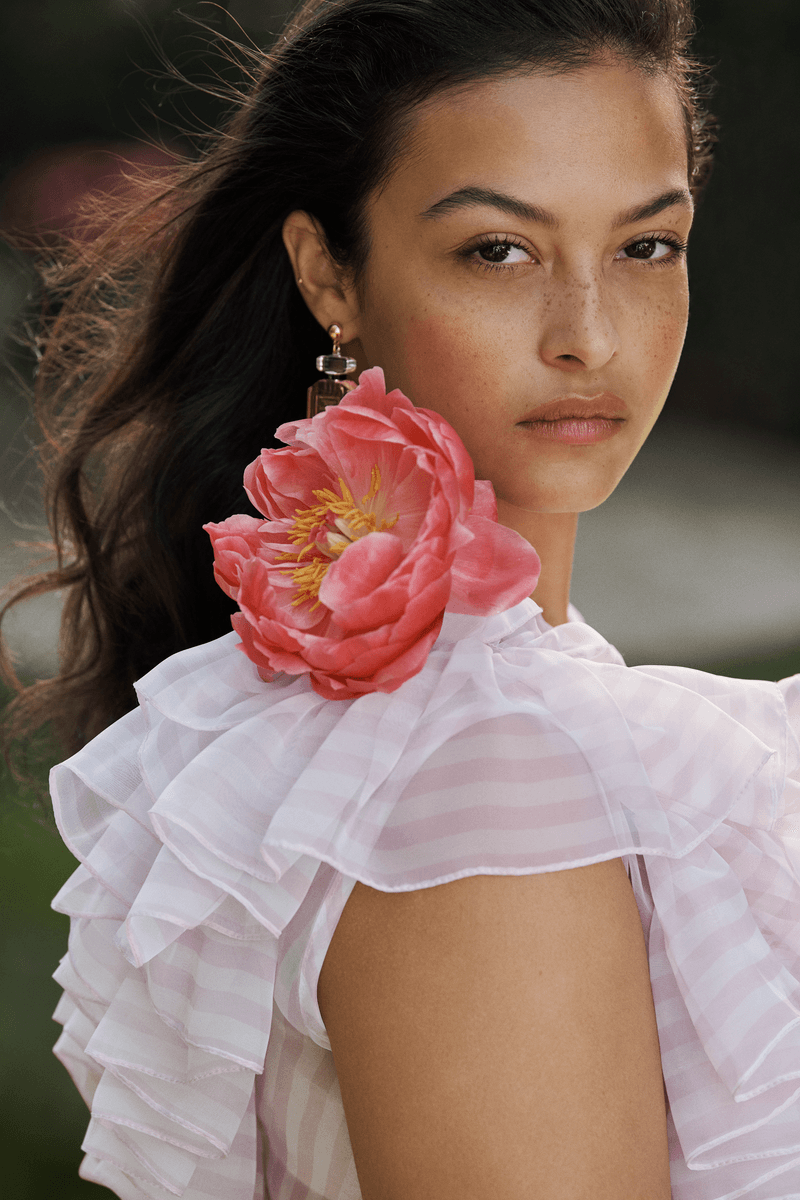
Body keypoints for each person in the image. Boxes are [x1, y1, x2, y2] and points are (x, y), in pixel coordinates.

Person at [2, 0, 799, 1197]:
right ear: (328, 273)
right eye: (497, 250)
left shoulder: (398, 734)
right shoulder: (485, 777)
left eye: (644, 246)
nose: (588, 336)